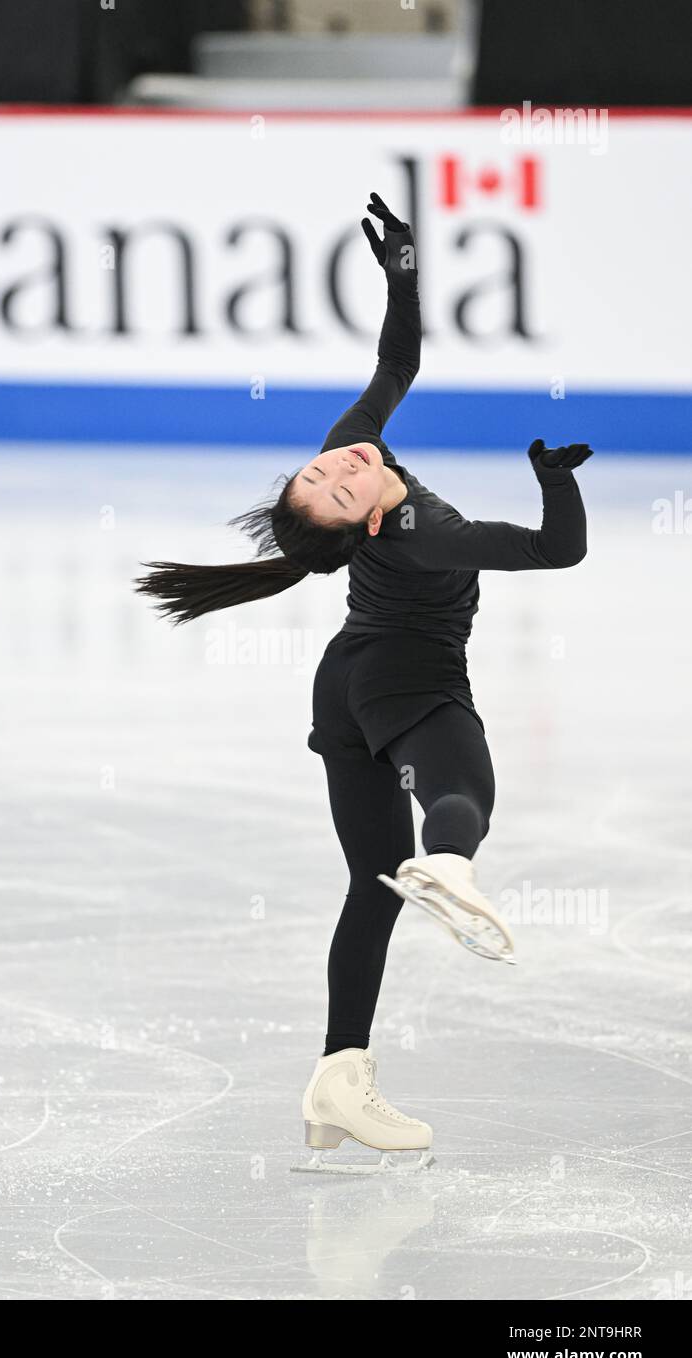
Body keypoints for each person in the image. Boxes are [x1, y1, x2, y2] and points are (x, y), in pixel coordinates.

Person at [136, 193, 590, 1171]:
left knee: (367, 886)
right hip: (401, 677)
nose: (346, 460)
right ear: (360, 529)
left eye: (327, 464)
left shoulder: (362, 451)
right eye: (340, 485)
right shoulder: (426, 533)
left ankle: (339, 1077)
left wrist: (404, 277)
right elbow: (557, 552)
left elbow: (393, 368)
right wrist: (555, 478)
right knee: (465, 783)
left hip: (343, 685)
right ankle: (452, 865)